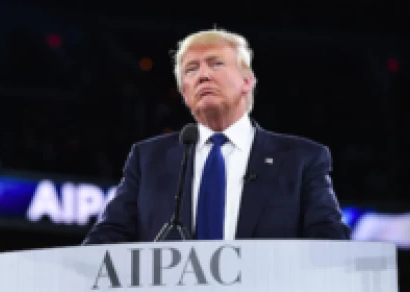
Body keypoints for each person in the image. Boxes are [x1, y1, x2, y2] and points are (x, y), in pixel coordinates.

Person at [83, 28, 350, 244]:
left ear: (248, 82)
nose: (203, 75)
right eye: (191, 69)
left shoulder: (301, 159)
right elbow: (108, 237)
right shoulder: (147, 159)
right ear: (185, 93)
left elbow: (329, 242)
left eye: (216, 63)